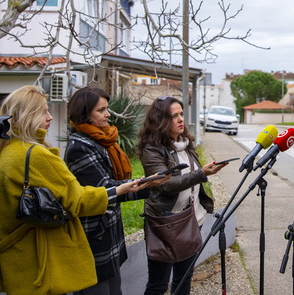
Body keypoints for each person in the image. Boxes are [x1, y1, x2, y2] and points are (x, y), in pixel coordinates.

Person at [0, 85, 143, 295]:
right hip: (40, 258)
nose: (50, 117)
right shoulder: (36, 155)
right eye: (43, 111)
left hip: (18, 257)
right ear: (28, 115)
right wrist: (121, 189)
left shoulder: (9, 150)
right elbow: (77, 200)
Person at [65, 86, 168, 295]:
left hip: (107, 232)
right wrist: (146, 184)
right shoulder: (79, 146)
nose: (107, 114)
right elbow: (106, 189)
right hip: (95, 236)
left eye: (107, 108)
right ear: (85, 114)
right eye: (101, 110)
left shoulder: (101, 140)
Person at [137, 95, 228, 295]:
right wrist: (202, 173)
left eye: (181, 114)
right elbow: (167, 185)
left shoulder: (186, 143)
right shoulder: (152, 149)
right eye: (173, 116)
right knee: (158, 284)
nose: (180, 119)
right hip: (166, 224)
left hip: (193, 219)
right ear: (160, 121)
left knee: (184, 278)